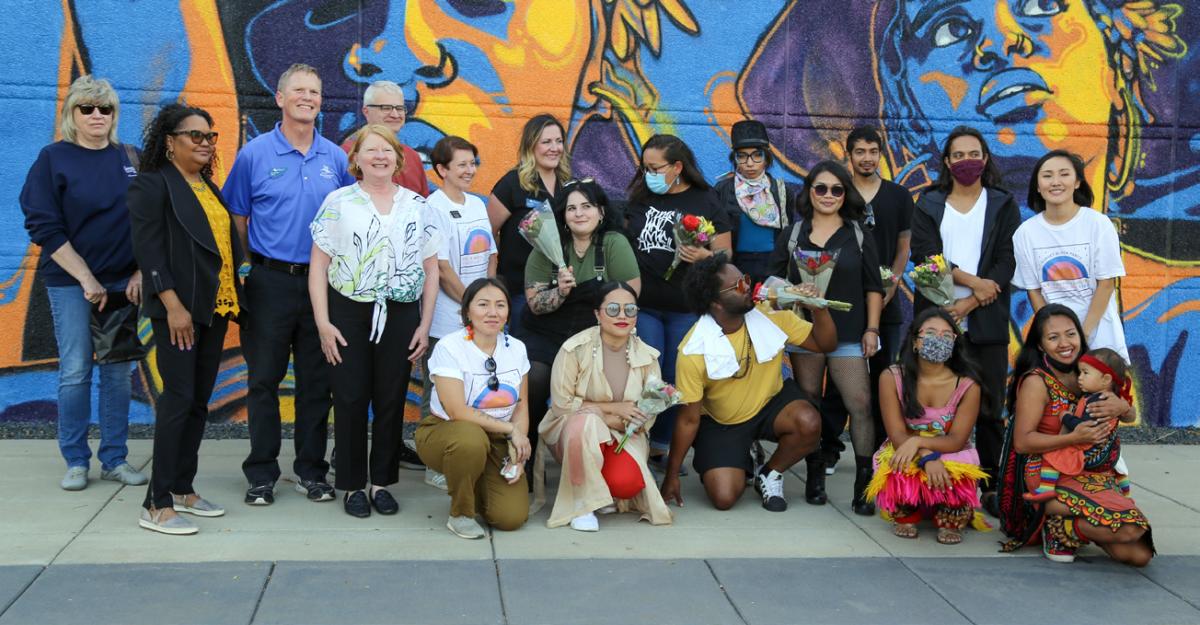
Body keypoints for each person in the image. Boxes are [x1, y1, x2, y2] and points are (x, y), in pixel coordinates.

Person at [224, 63, 356, 506]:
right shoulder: (254, 155)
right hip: (270, 284)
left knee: (317, 384)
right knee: (263, 380)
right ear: (279, 98)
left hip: (322, 288)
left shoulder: (336, 159)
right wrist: (253, 267)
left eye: (315, 92)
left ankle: (311, 471)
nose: (308, 98)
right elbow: (237, 218)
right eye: (298, 90)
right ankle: (261, 473)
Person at [19, 75, 146, 491]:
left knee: (116, 373)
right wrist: (86, 278)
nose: (96, 115)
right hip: (72, 282)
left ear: (114, 114)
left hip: (122, 285)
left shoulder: (130, 158)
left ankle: (114, 459)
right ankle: (76, 460)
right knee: (75, 371)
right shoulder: (53, 158)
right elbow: (44, 227)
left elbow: (152, 222)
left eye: (104, 108)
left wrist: (142, 271)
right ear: (71, 114)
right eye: (86, 108)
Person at [309, 124, 440, 518]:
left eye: (387, 150)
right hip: (348, 311)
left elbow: (431, 269)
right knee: (349, 398)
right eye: (371, 150)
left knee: (390, 398)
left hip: (400, 313)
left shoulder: (418, 206)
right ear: (357, 159)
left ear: (398, 158)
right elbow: (319, 266)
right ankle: (351, 484)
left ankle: (381, 482)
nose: (380, 156)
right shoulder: (338, 202)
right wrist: (323, 323)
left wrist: (423, 324)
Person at [127, 104, 242, 534]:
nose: (205, 142)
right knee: (176, 402)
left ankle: (181, 488)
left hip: (215, 310)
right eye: (194, 135)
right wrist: (173, 306)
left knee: (197, 403)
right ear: (170, 141)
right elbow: (150, 252)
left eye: (210, 136)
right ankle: (156, 504)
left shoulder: (207, 187)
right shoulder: (153, 186)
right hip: (181, 312)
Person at [661, 255, 836, 512]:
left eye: (746, 280)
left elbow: (825, 344)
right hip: (722, 422)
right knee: (723, 498)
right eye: (739, 286)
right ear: (715, 302)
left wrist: (819, 308)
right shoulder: (692, 350)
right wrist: (671, 475)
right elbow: (688, 419)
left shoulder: (770, 315)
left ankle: (770, 473)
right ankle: (745, 454)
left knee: (809, 422)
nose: (749, 287)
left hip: (770, 404)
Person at [910, 126, 1020, 515]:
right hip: (936, 318)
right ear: (946, 162)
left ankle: (989, 483)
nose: (966, 161)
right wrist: (972, 283)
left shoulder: (1003, 204)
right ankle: (920, 474)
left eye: (974, 154)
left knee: (990, 404)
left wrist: (972, 302)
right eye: (958, 155)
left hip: (986, 320)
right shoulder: (928, 203)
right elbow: (925, 255)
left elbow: (1008, 259)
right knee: (927, 398)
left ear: (986, 159)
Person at [769, 160, 884, 514]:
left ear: (845, 192)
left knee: (860, 405)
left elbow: (873, 287)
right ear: (809, 192)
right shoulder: (792, 233)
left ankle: (864, 481)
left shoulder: (859, 234)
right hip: (805, 333)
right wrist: (793, 290)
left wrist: (872, 329)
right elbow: (771, 284)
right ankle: (815, 475)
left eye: (837, 189)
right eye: (821, 188)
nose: (829, 195)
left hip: (849, 334)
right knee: (809, 402)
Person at [998, 304, 1151, 566]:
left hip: (1092, 472)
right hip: (1047, 473)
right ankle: (1060, 528)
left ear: (1081, 336)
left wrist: (1124, 407)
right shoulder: (1037, 382)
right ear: (1041, 345)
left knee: (1139, 554)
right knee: (1128, 528)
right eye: (1053, 337)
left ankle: (1069, 528)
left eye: (1070, 334)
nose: (1064, 343)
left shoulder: (1093, 371)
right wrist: (1072, 438)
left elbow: (1128, 415)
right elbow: (1023, 443)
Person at [625, 134, 733, 466]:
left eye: (655, 168)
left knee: (675, 375)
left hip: (686, 308)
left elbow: (726, 254)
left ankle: (661, 443)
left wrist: (704, 256)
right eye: (644, 168)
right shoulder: (641, 197)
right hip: (645, 305)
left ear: (677, 167)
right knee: (648, 374)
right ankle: (636, 441)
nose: (648, 174)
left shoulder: (705, 201)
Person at [532, 282, 672, 531]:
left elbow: (646, 415)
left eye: (630, 309)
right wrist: (614, 410)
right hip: (572, 433)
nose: (622, 316)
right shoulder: (574, 348)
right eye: (613, 309)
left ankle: (603, 492)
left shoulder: (648, 357)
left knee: (626, 484)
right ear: (597, 313)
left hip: (623, 434)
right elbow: (562, 405)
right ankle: (582, 506)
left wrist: (614, 417)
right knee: (584, 423)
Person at [818, 126, 914, 476]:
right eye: (860, 151)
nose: (867, 158)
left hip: (885, 301)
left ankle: (879, 450)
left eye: (873, 151)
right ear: (850, 155)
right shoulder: (838, 192)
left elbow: (904, 245)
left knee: (885, 375)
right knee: (837, 378)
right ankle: (828, 447)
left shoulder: (899, 196)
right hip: (843, 301)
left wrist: (893, 283)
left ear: (880, 153)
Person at [521, 179, 640, 457]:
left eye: (586, 206)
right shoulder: (545, 247)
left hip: (596, 336)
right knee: (534, 377)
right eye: (571, 208)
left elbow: (629, 298)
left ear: (600, 212)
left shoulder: (614, 244)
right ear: (562, 215)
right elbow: (535, 305)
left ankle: (603, 450)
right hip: (547, 333)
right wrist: (560, 292)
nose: (579, 213)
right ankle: (526, 448)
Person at [415, 278, 532, 539]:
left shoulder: (517, 348)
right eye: (483, 304)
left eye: (500, 305)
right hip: (447, 431)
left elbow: (521, 405)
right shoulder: (450, 347)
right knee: (470, 440)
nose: (493, 312)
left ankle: (473, 480)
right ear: (467, 310)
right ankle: (461, 514)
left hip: (499, 436)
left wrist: (518, 444)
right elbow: (457, 411)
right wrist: (511, 429)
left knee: (510, 518)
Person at [868, 308, 984, 545]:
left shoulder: (968, 385)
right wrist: (925, 457)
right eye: (930, 333)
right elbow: (897, 434)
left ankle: (949, 517)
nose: (938, 340)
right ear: (915, 342)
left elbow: (957, 440)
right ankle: (907, 513)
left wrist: (920, 442)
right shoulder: (891, 377)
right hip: (906, 447)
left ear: (954, 343)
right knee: (898, 463)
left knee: (959, 471)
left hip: (949, 450)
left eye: (946, 335)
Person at [421, 135, 496, 490]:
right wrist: (475, 306)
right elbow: (443, 268)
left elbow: (490, 255)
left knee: (472, 389)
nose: (470, 170)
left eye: (472, 163)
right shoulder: (432, 207)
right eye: (462, 164)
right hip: (447, 320)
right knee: (439, 391)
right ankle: (434, 462)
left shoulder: (477, 205)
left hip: (478, 316)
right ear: (441, 170)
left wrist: (490, 300)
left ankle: (469, 455)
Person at [1014, 150, 1128, 361]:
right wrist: (1056, 336)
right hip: (1058, 347)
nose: (1056, 182)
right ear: (1037, 187)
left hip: (1101, 340)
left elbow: (1106, 284)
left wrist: (1081, 337)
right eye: (1047, 176)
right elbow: (1034, 292)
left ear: (1077, 182)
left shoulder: (1098, 224)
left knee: (1100, 395)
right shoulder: (1025, 233)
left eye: (1064, 174)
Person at [486, 114, 570, 336]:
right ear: (531, 145)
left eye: (558, 141)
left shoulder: (569, 185)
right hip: (519, 290)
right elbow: (489, 235)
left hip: (561, 289)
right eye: (546, 142)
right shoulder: (512, 184)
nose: (554, 148)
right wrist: (492, 284)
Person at [1024, 347, 1134, 501]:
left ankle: (1045, 489)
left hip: (1092, 451)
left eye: (1085, 373)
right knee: (1120, 466)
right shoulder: (1108, 397)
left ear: (1106, 379)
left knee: (1053, 455)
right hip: (1109, 451)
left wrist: (1066, 417)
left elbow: (1084, 425)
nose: (1080, 378)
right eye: (1080, 372)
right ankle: (1125, 493)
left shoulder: (1098, 402)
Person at [712, 120, 797, 284]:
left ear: (767, 158)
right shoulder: (722, 190)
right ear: (735, 159)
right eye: (742, 156)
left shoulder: (782, 190)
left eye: (757, 155)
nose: (750, 163)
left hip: (773, 266)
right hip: (736, 266)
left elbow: (787, 232)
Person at [339, 80, 429, 197]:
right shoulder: (346, 154)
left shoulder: (413, 157)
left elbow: (423, 209)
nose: (395, 115)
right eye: (386, 108)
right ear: (366, 112)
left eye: (400, 108)